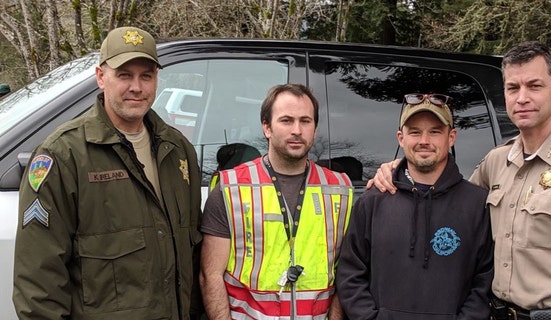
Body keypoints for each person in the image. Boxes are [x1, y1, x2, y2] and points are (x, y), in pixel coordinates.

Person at [370, 41, 551, 319]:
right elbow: (447, 201)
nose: (522, 97)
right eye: (513, 88)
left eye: (534, 86)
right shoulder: (496, 163)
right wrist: (400, 169)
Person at [13, 26, 203, 319]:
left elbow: (192, 260)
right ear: (101, 77)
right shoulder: (63, 155)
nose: (136, 87)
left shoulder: (178, 151)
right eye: (124, 75)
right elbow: (39, 281)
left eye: (146, 76)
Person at [199, 83, 353, 319]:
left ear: (315, 128)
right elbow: (210, 276)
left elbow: (347, 273)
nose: (297, 130)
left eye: (305, 121)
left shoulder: (339, 191)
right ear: (267, 127)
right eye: (286, 120)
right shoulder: (231, 189)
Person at [336, 93, 493, 319]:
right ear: (401, 138)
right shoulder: (373, 201)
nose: (424, 141)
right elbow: (351, 274)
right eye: (415, 132)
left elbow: (484, 280)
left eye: (435, 131)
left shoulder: (477, 204)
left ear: (451, 137)